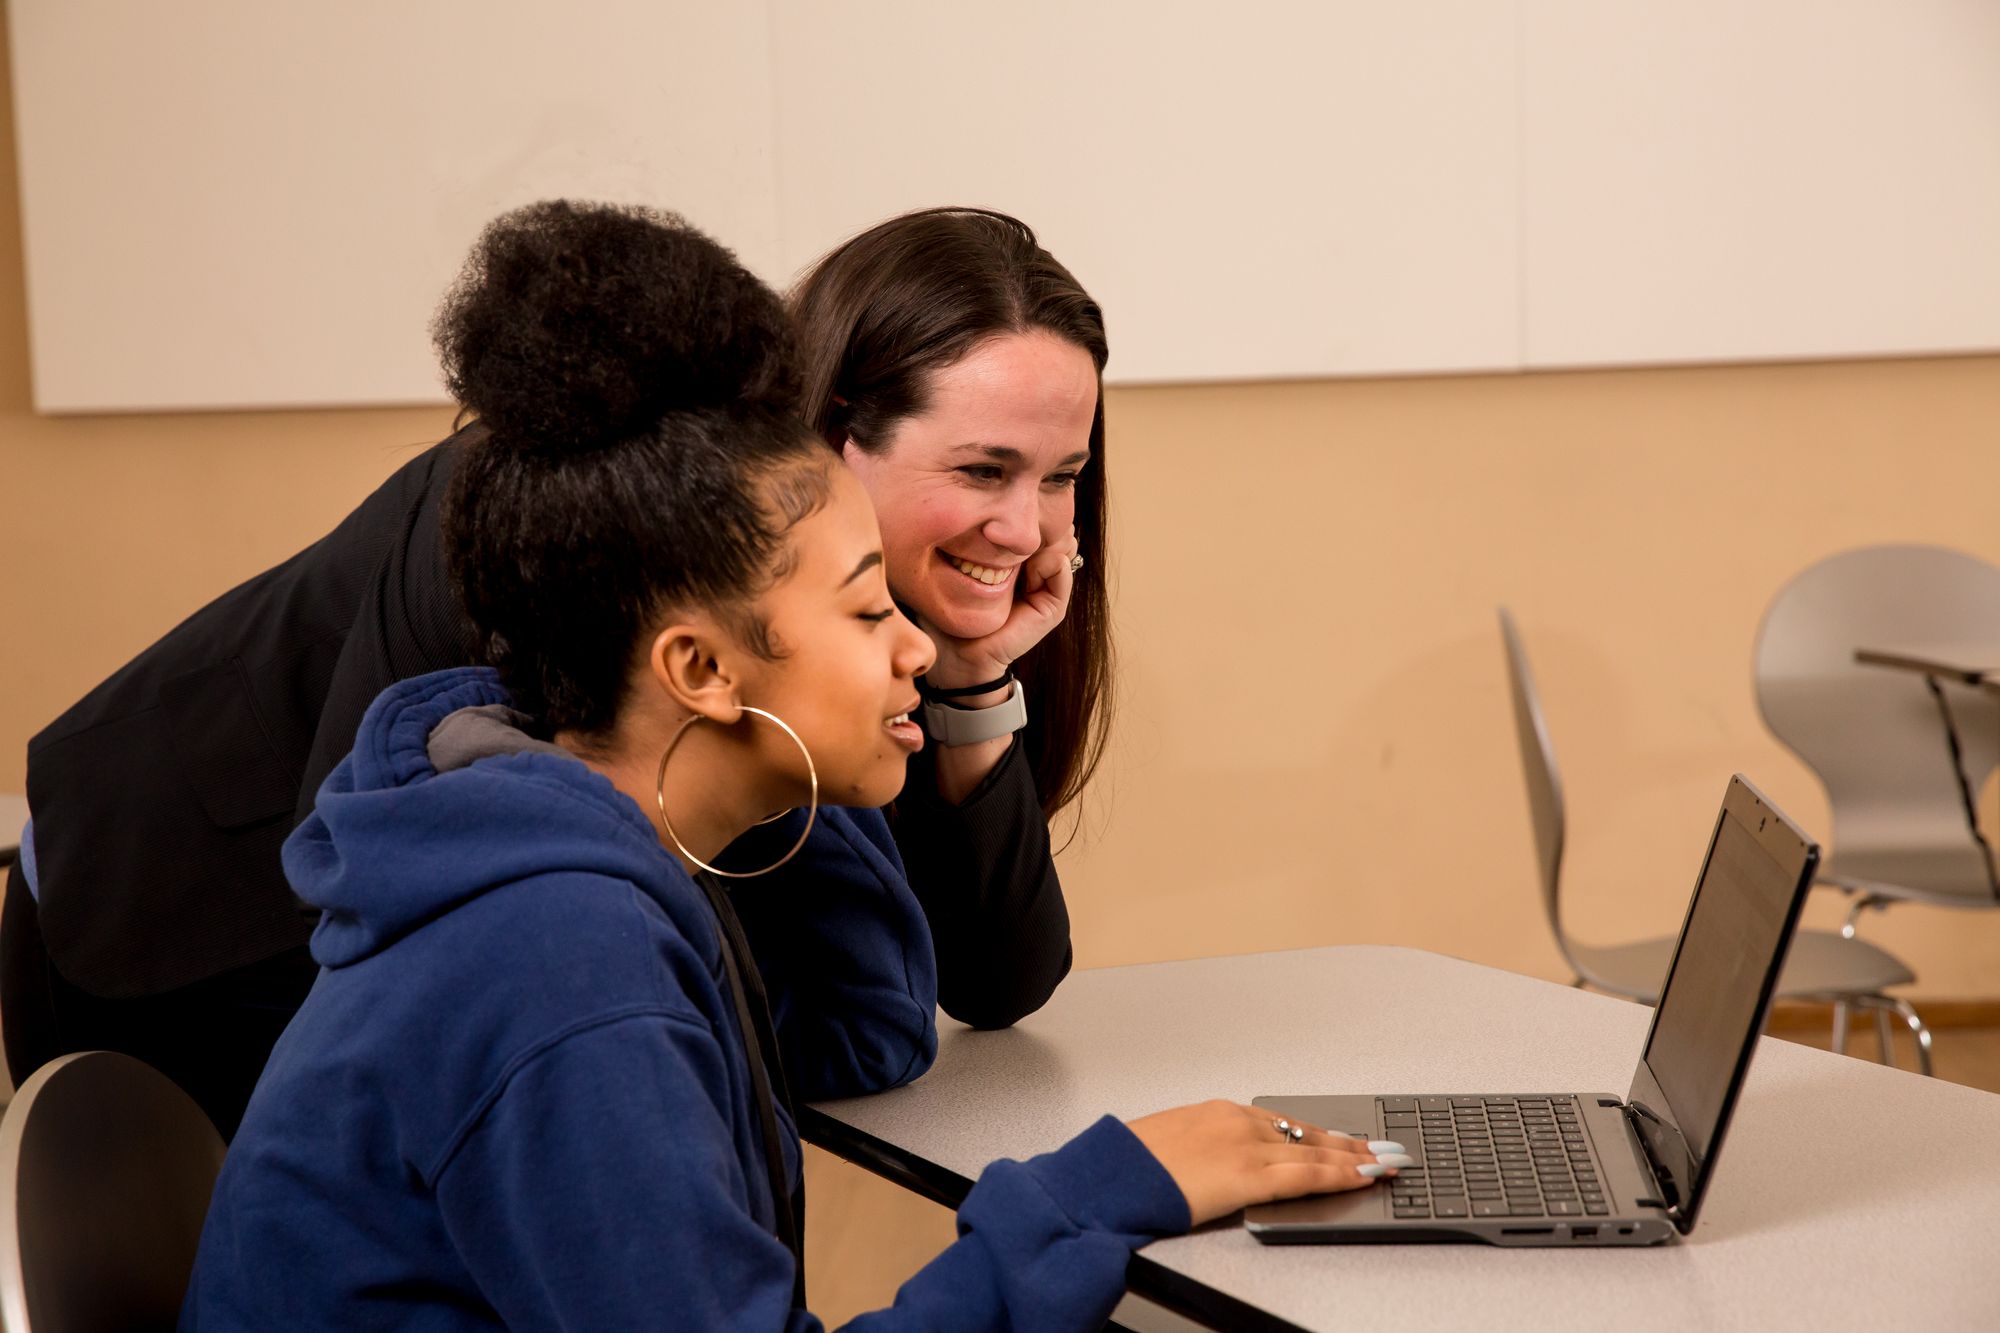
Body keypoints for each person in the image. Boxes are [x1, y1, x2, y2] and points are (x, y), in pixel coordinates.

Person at [180, 200, 1400, 1332]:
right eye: (871, 612)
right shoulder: (564, 965)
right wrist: (1087, 1196)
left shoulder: (612, 846)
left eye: (1060, 480)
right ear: (702, 671)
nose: (925, 645)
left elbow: (865, 1032)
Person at [4, 206, 1103, 1133]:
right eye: (981, 468)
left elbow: (992, 982)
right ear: (833, 432)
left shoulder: (855, 618)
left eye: (1061, 476)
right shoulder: (568, 526)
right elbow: (368, 888)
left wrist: (969, 680)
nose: (1024, 528)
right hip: (174, 907)